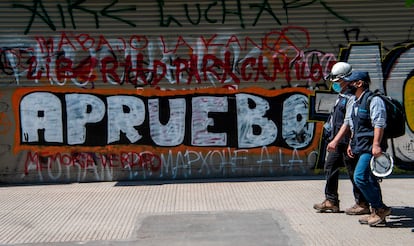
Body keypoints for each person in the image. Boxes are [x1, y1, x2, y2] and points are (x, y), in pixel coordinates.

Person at [327, 70, 391, 226]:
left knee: (360, 177)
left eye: (350, 81)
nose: (346, 84)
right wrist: (351, 143)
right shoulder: (356, 101)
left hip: (371, 147)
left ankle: (380, 208)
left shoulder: (373, 100)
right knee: (369, 179)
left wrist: (376, 144)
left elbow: (379, 124)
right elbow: (354, 125)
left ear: (359, 83)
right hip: (360, 146)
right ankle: (377, 213)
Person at [313, 62, 370, 215]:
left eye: (338, 81)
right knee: (330, 167)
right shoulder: (342, 95)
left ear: (346, 79)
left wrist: (336, 140)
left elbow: (348, 122)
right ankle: (331, 201)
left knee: (353, 173)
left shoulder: (352, 97)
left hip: (347, 141)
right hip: (337, 140)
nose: (336, 84)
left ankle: (363, 203)